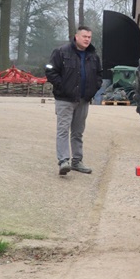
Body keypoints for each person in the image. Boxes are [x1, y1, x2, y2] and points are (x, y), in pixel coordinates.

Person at [45, 26, 102, 176]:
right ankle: (64, 161)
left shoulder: (93, 56)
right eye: (84, 36)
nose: (87, 39)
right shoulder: (61, 52)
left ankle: (77, 161)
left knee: (78, 132)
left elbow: (99, 75)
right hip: (65, 99)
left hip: (83, 100)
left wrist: (93, 90)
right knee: (63, 130)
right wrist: (62, 86)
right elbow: (50, 70)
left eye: (89, 37)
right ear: (76, 37)